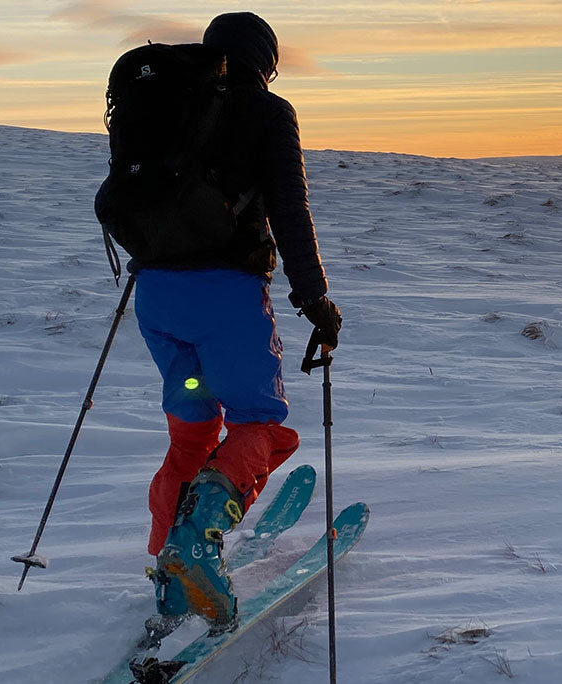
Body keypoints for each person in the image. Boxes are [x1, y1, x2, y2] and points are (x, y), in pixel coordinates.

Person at [133, 11, 341, 627]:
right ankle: (196, 540)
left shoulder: (168, 101)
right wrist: (315, 301)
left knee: (191, 436)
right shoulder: (268, 113)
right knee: (263, 425)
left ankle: (169, 571)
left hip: (156, 296)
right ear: (266, 62)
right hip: (226, 294)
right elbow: (289, 212)